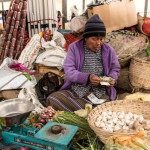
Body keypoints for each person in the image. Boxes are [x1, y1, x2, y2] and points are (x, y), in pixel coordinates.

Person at [46, 14, 120, 112]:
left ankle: (88, 111)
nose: (98, 43)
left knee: (104, 107)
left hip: (100, 92)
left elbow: (115, 69)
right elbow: (69, 71)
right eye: (94, 39)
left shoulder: (108, 50)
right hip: (76, 91)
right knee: (53, 99)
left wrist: (111, 79)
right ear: (85, 37)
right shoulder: (74, 48)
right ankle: (89, 111)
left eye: (101, 39)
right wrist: (88, 77)